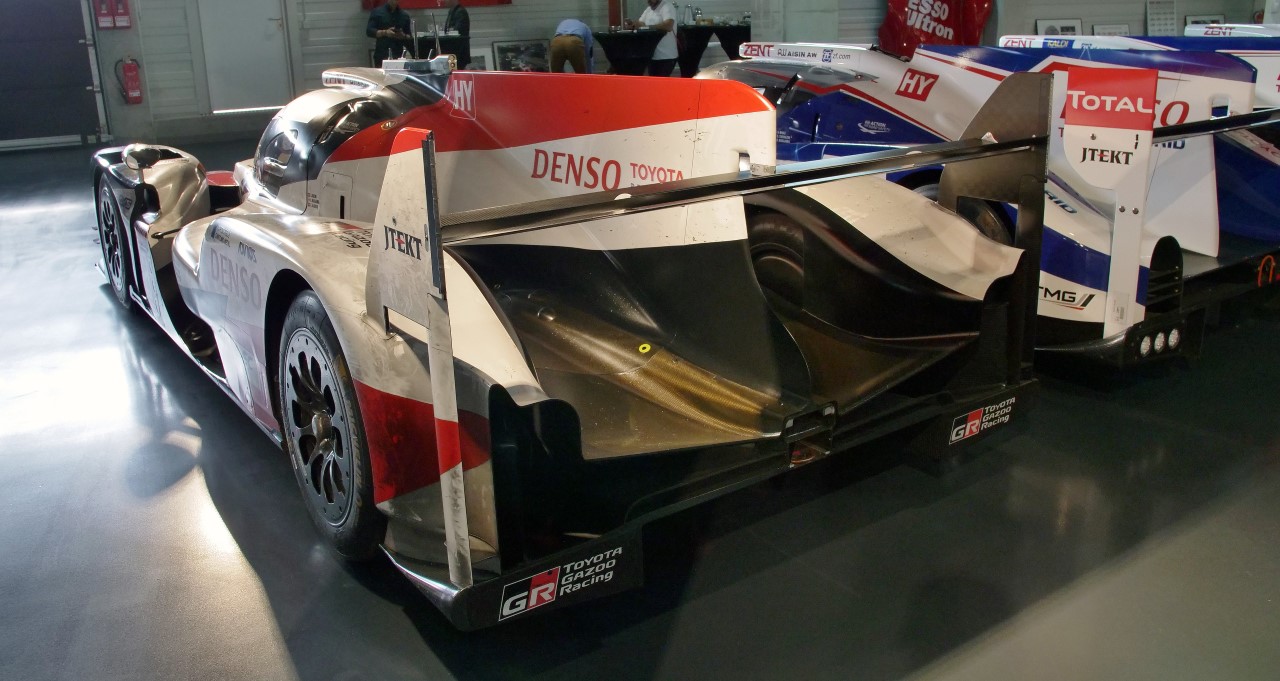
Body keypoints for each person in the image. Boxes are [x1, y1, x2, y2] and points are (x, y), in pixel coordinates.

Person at [625, 0, 677, 77]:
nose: (648, 1)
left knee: (660, 82)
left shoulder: (667, 6)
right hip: (652, 55)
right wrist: (633, 25)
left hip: (666, 56)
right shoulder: (649, 9)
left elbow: (668, 25)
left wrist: (648, 27)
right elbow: (641, 23)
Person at [366, 0, 412, 66]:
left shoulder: (404, 16)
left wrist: (402, 35)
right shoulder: (377, 12)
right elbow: (369, 31)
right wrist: (385, 32)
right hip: (381, 55)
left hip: (398, 56)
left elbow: (409, 37)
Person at [442, 0, 471, 68]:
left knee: (455, 70)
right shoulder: (452, 11)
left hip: (458, 52)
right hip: (453, 52)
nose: (444, 1)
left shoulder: (460, 12)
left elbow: (458, 31)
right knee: (452, 70)